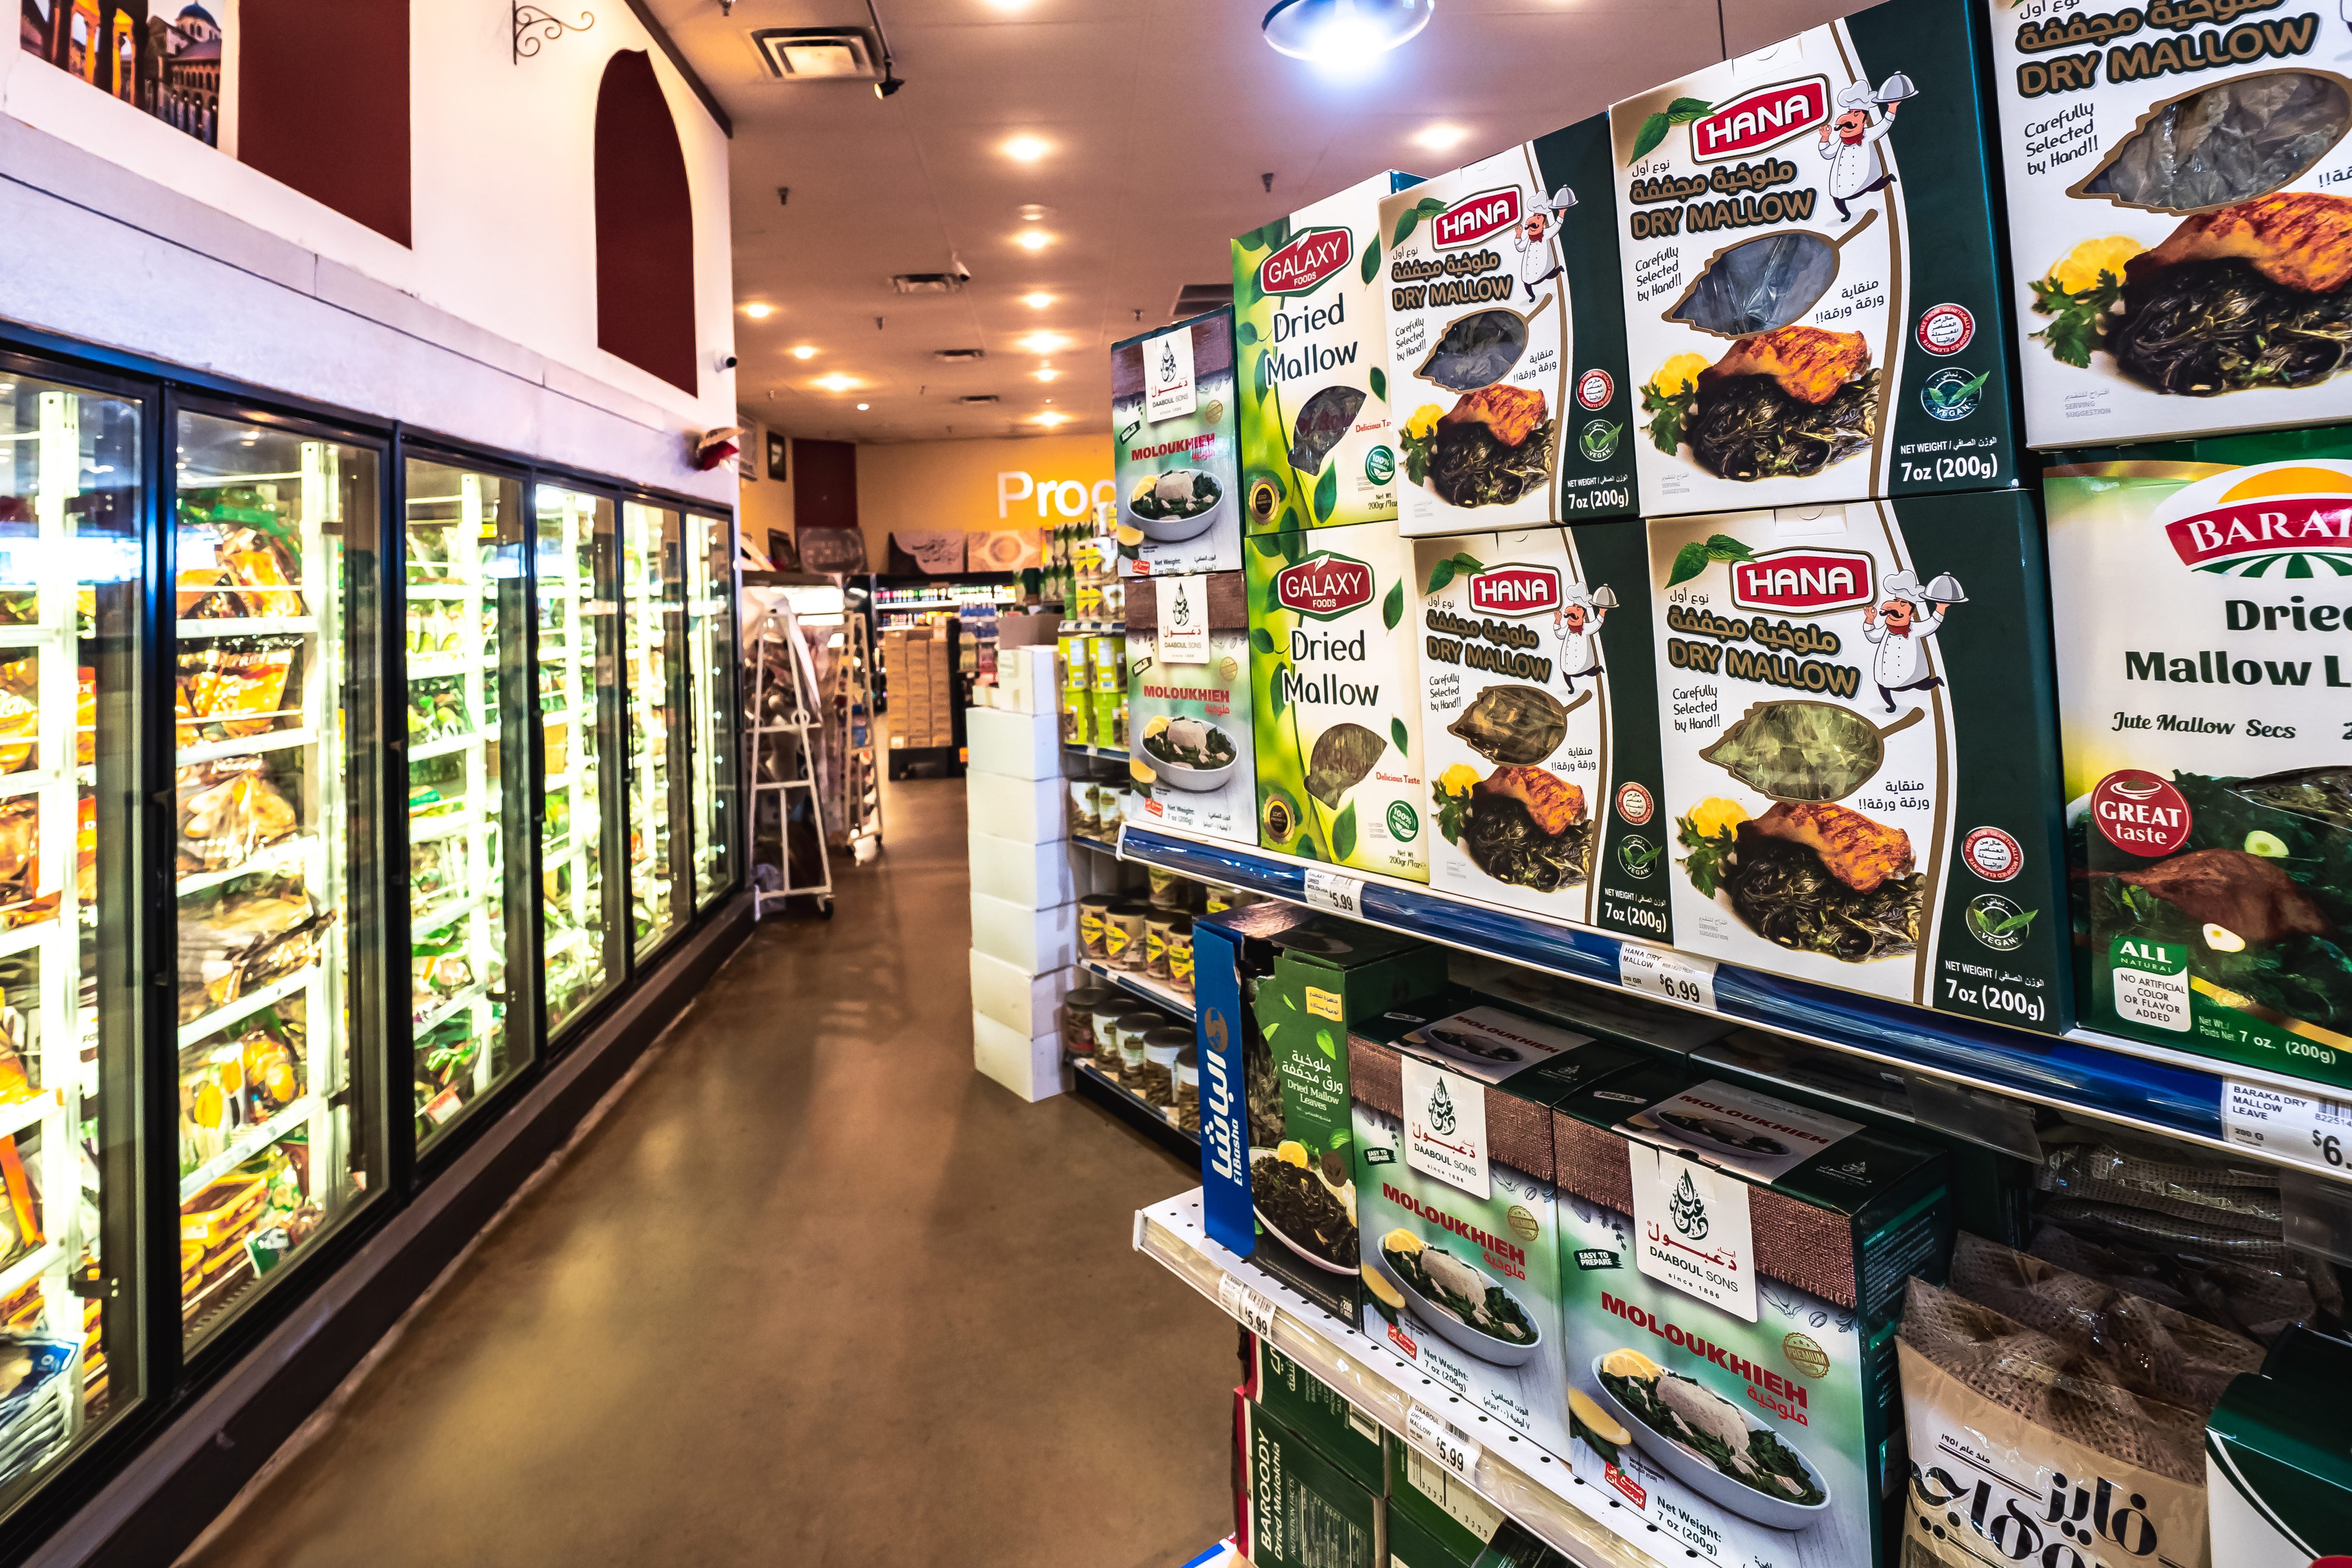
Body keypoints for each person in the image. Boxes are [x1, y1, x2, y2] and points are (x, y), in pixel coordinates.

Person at [1859, 571, 1952, 713]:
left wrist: (1940, 608)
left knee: (1923, 685)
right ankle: (1891, 705)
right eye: (1896, 601)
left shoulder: (1914, 628)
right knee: (1884, 688)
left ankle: (1935, 682)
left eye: (1903, 604)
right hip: (1885, 674)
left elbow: (1932, 624)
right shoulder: (1886, 628)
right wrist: (1870, 620)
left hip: (1911, 674)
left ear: (1912, 614)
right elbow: (1873, 636)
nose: (1895, 607)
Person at [1820, 85, 1899, 223]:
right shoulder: (1842, 139)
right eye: (1851, 113)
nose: (1851, 118)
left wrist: (1892, 108)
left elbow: (1884, 125)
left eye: (1857, 114)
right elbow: (1827, 153)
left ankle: (1888, 178)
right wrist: (1825, 137)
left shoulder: (1868, 134)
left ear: (1865, 120)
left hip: (1863, 176)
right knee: (1838, 198)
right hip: (1841, 181)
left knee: (1874, 186)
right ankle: (1846, 215)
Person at [1515, 187, 1575, 302]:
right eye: (1535, 216)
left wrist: (1561, 214)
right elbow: (1520, 247)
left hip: (1543, 267)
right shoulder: (1529, 237)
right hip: (1528, 271)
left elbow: (1556, 227)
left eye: (1539, 217)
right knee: (1527, 283)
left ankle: (1558, 270)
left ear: (1544, 222)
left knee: (1550, 274)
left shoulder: (1545, 233)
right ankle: (1532, 297)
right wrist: (1519, 235)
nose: (1534, 220)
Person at [1554, 585, 1605, 693]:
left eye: (1579, 608)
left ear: (1584, 617)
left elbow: (1596, 624)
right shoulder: (1568, 628)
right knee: (1567, 675)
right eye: (1574, 606)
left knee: (1591, 672)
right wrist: (1558, 621)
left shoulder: (1585, 628)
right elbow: (1559, 634)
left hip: (1584, 664)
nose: (1574, 610)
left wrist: (1602, 612)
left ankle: (1598, 670)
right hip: (1567, 664)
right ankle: (1571, 688)